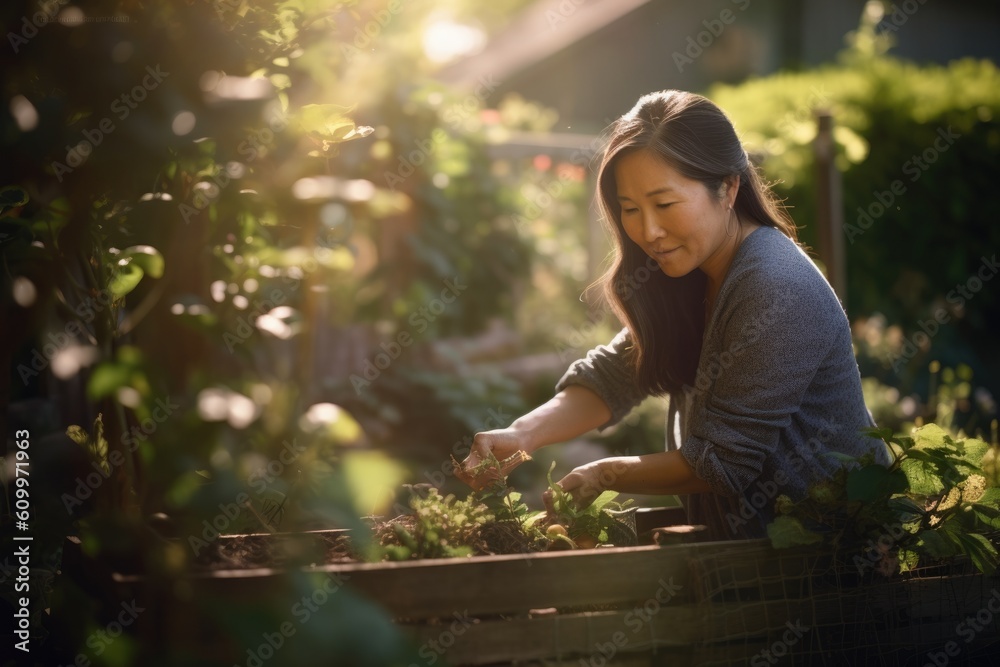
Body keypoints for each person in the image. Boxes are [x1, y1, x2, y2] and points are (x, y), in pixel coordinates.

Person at [459, 90, 890, 540]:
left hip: (834, 568)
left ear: (727, 187)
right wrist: (521, 435)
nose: (648, 231)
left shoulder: (774, 286)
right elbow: (617, 375)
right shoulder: (690, 267)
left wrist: (604, 473)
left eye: (664, 205)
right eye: (630, 210)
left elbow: (722, 462)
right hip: (751, 561)